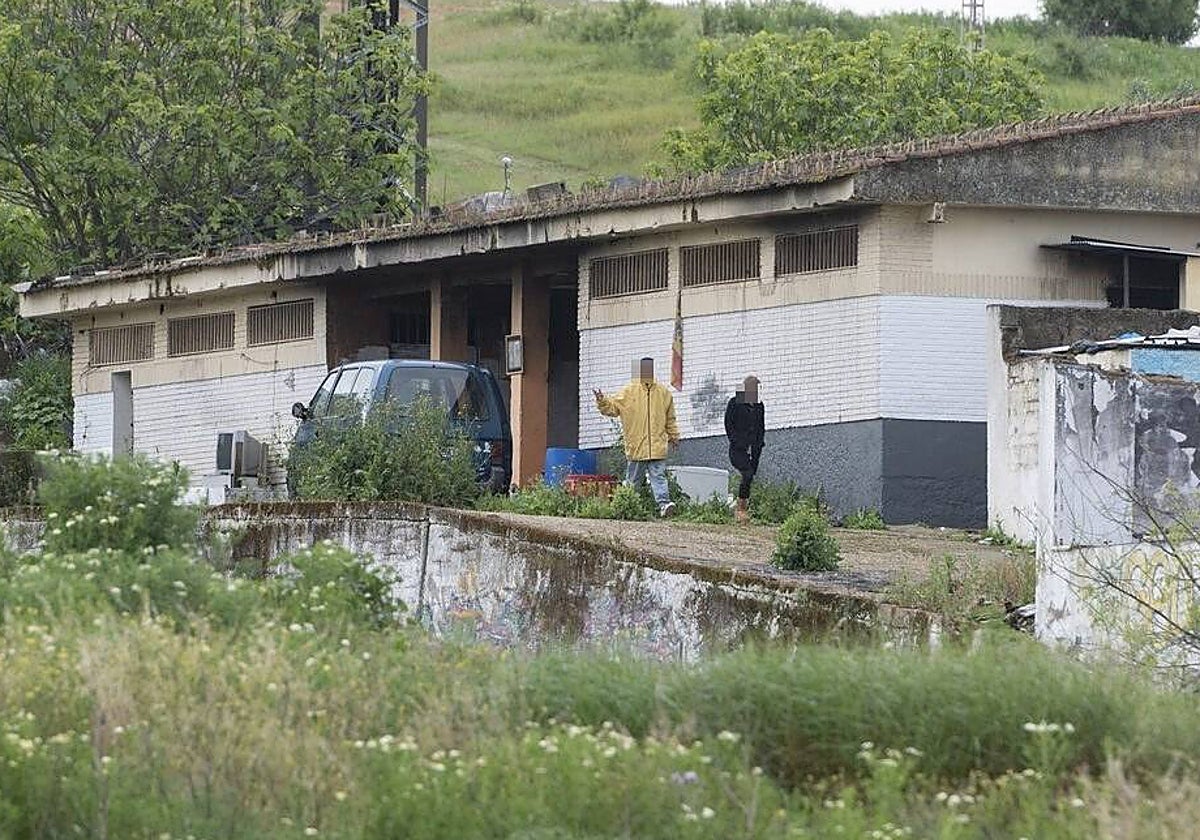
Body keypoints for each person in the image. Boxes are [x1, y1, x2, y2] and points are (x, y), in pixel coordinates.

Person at [594, 357, 680, 517]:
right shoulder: (628, 392)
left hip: (656, 446)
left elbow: (670, 418)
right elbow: (612, 408)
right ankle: (626, 507)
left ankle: (664, 505)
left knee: (659, 476)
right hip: (636, 446)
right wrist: (602, 400)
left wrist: (674, 436)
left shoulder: (664, 393)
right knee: (633, 480)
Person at [725, 375, 765, 523]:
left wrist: (759, 444)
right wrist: (736, 441)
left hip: (754, 448)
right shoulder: (735, 402)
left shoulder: (759, 406)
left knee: (750, 476)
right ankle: (741, 508)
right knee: (747, 474)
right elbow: (728, 423)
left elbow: (761, 427)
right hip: (737, 449)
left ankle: (740, 505)